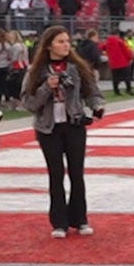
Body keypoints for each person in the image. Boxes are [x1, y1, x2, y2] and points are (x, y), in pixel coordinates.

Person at [20, 25, 104, 239]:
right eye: (60, 41)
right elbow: (29, 103)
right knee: (55, 175)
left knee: (77, 173)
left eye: (67, 41)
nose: (66, 45)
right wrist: (47, 87)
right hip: (48, 129)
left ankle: (80, 219)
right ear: (49, 46)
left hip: (74, 125)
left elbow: (92, 92)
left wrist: (97, 106)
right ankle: (59, 222)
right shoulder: (36, 71)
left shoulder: (77, 67)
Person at [102, 29, 134, 95]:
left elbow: (102, 47)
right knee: (127, 77)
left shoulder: (107, 42)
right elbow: (126, 50)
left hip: (113, 63)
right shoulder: (119, 41)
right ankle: (128, 89)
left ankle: (116, 91)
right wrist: (130, 57)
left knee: (115, 78)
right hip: (123, 62)